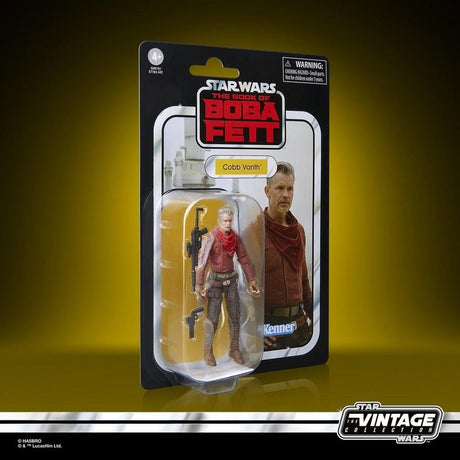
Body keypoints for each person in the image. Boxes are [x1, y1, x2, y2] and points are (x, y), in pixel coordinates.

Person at [196, 206, 260, 366]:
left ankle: (235, 348)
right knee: (213, 319)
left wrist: (251, 280)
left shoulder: (235, 238)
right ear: (219, 221)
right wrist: (200, 285)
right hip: (215, 283)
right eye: (225, 221)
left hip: (231, 281)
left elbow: (243, 258)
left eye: (230, 220)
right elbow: (202, 262)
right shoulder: (211, 238)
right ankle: (208, 351)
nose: (228, 223)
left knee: (235, 316)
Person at [263, 162, 313, 351]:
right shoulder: (255, 230)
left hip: (300, 328)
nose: (285, 194)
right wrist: (253, 329)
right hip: (270, 331)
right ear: (267, 191)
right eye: (280, 188)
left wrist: (317, 322)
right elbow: (242, 288)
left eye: (290, 189)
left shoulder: (298, 230)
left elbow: (304, 281)